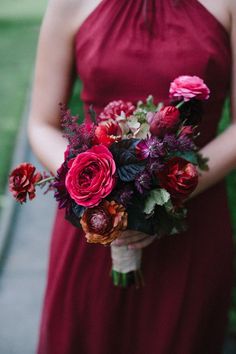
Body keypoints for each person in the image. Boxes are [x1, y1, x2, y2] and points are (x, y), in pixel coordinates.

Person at [28, 0, 236, 353]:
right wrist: (94, 183)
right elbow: (42, 122)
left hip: (191, 218)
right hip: (94, 225)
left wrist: (168, 191)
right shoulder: (68, 3)